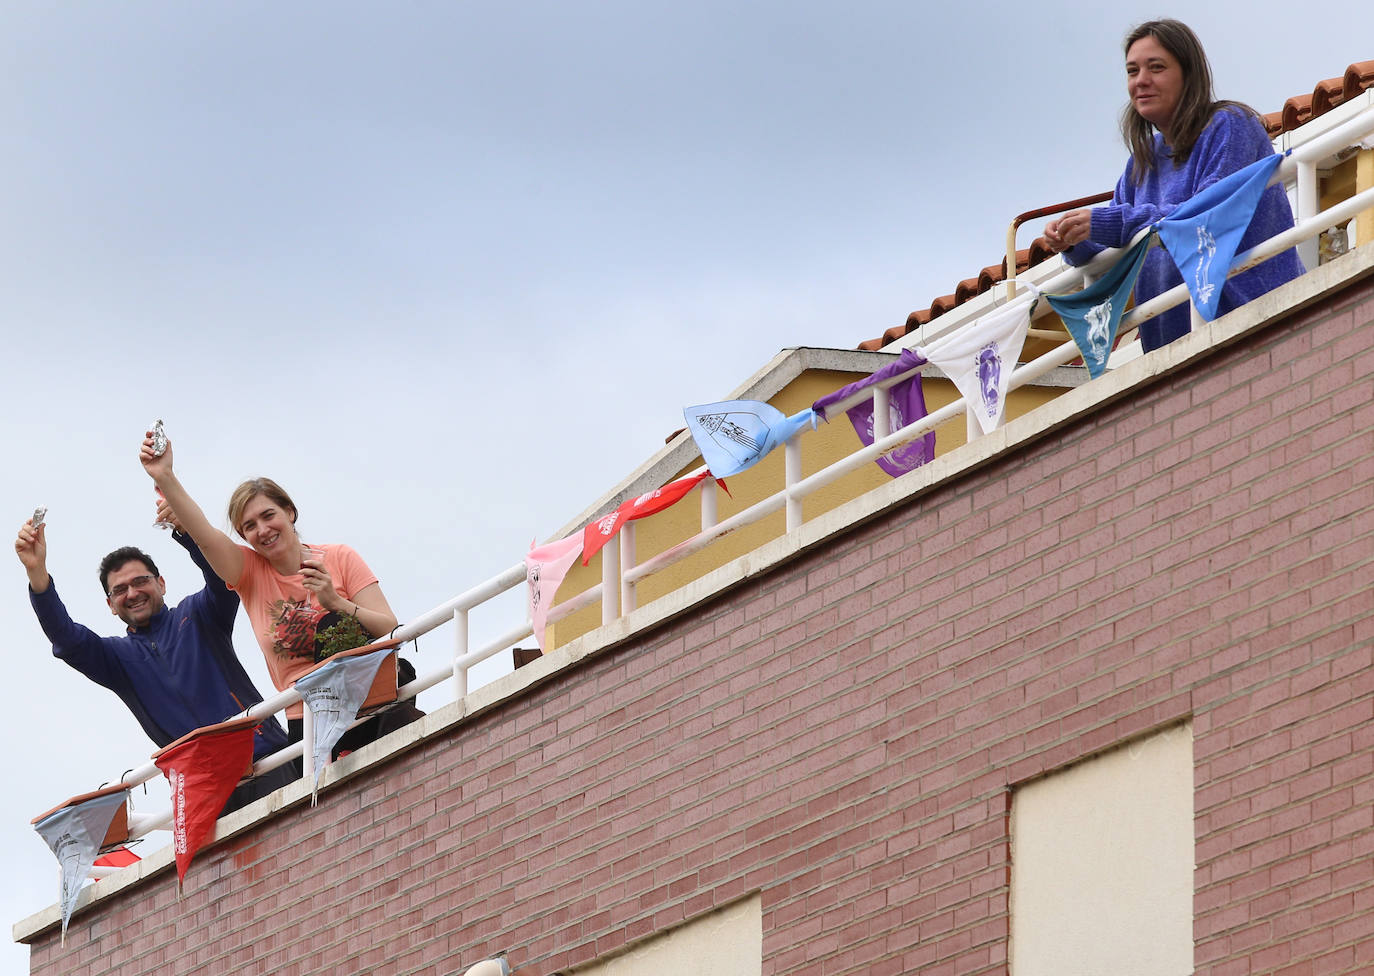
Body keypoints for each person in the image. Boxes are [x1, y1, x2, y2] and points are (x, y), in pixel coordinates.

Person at [138, 435, 423, 755]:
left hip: (369, 696)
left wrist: (337, 603)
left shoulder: (340, 557)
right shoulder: (249, 572)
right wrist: (164, 475)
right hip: (309, 717)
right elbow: (205, 535)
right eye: (249, 526)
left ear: (289, 512)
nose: (262, 530)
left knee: (335, 625)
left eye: (268, 515)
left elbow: (389, 628)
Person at [1044, 19, 1304, 353]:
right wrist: (1073, 239)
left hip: (1254, 327)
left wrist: (1104, 223)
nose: (1141, 81)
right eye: (1132, 71)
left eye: (1156, 67)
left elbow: (1204, 215)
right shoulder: (1142, 162)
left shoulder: (1231, 125)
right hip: (1175, 353)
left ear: (1189, 74)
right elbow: (1116, 243)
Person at [14, 515, 294, 814]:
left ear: (161, 583)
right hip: (205, 792)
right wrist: (37, 572)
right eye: (120, 590)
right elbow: (67, 639)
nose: (132, 593)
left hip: (265, 761)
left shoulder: (198, 614)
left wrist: (185, 530)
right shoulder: (116, 658)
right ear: (110, 605)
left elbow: (221, 577)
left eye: (140, 581)